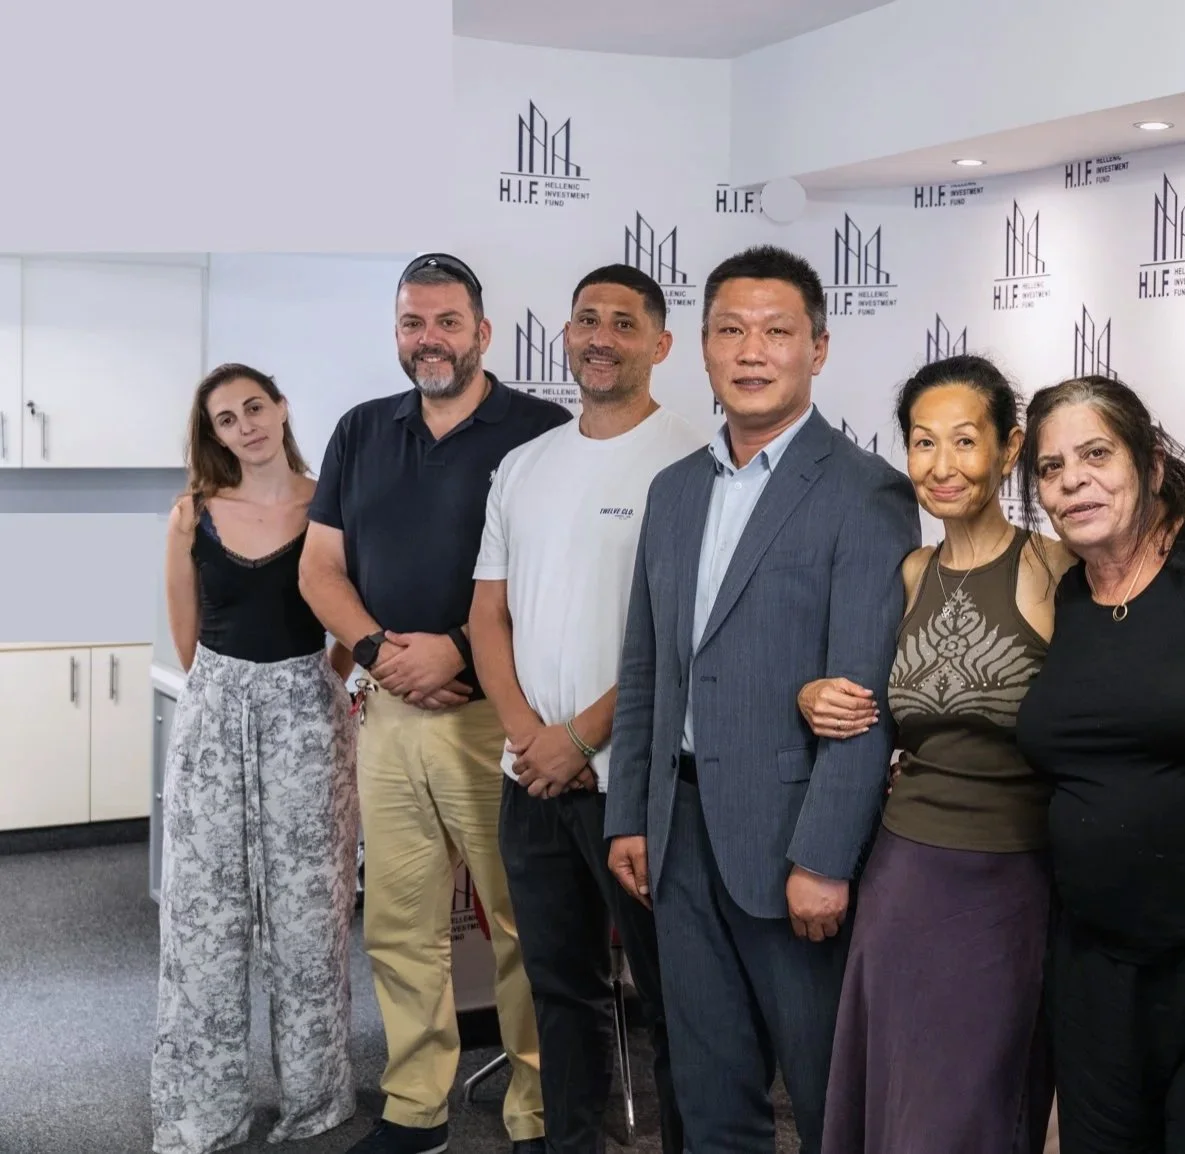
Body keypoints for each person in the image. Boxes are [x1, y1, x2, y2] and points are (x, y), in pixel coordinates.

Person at [603, 245, 920, 1154]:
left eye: (776, 332)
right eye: (731, 331)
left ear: (817, 349)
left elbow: (865, 697)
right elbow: (646, 670)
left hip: (792, 845)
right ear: (700, 347)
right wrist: (631, 811)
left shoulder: (866, 494)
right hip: (677, 833)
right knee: (707, 1091)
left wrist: (823, 855)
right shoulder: (672, 492)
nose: (752, 351)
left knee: (827, 1094)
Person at [300, 253, 571, 1154]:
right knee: (399, 923)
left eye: (447, 322)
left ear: (482, 332)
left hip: (498, 714)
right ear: (397, 333)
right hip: (387, 714)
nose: (430, 339)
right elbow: (320, 568)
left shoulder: (542, 431)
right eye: (413, 323)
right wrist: (381, 653)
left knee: (522, 922)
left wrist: (456, 647)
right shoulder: (359, 431)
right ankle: (415, 1106)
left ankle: (536, 1106)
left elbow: (557, 579)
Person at [1014, 375, 1185, 1154]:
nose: (1072, 479)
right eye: (1049, 467)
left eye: (1096, 453)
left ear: (1151, 462)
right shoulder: (1060, 596)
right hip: (1091, 962)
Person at [802, 355, 1071, 1154]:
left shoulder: (1052, 567)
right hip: (902, 875)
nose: (941, 466)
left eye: (964, 441)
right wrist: (806, 696)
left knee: (969, 1107)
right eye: (923, 444)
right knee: (895, 1096)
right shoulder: (911, 572)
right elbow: (866, 699)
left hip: (1010, 879)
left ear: (1008, 447)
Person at [469, 264, 703, 1154]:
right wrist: (530, 737)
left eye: (623, 322)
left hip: (634, 788)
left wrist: (578, 738)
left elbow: (680, 638)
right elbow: (486, 611)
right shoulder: (524, 464)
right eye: (585, 320)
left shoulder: (688, 461)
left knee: (675, 996)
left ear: (659, 344)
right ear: (565, 334)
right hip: (529, 780)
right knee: (557, 991)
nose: (600, 336)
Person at [152, 364, 359, 1154]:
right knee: (206, 920)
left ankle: (316, 1100)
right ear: (214, 434)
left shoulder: (329, 507)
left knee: (311, 917)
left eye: (255, 407)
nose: (246, 425)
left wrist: (308, 688)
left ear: (280, 409)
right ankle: (207, 1110)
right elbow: (188, 631)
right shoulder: (191, 515)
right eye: (227, 418)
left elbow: (345, 620)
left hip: (307, 720)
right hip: (214, 723)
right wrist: (237, 695)